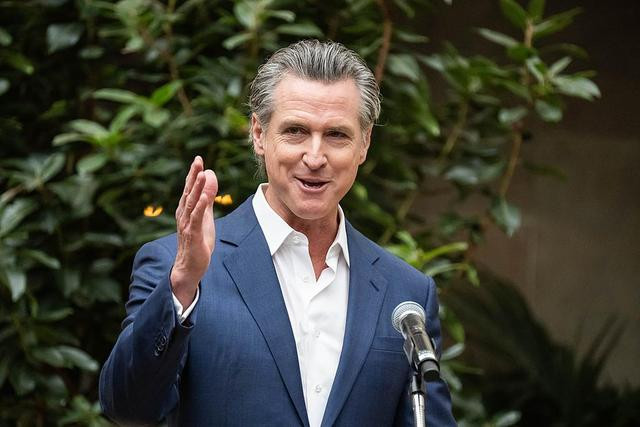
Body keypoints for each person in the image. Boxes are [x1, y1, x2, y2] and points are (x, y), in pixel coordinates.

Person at [99, 39, 455, 426]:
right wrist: (183, 283)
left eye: (337, 135)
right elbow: (128, 409)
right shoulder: (176, 266)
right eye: (296, 131)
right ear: (258, 133)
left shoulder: (406, 293)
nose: (315, 157)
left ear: (364, 143)